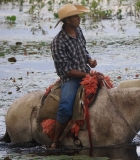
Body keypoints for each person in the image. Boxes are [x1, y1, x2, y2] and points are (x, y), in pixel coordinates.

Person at [50, 3, 104, 149]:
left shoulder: (78, 31)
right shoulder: (58, 42)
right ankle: (55, 141)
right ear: (67, 20)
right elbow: (66, 70)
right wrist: (88, 74)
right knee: (66, 107)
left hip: (86, 73)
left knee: (108, 92)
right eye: (75, 16)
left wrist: (89, 60)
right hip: (71, 79)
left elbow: (83, 50)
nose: (79, 18)